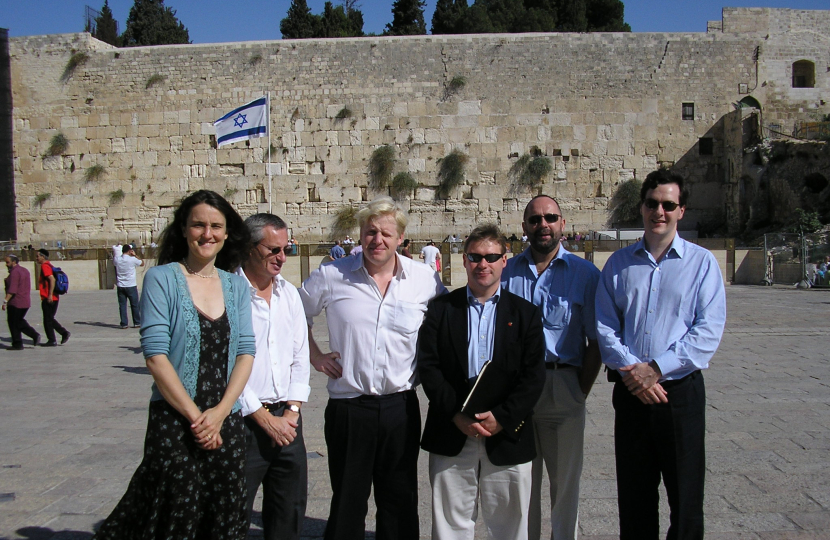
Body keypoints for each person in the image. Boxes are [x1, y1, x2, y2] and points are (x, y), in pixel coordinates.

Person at [93, 190, 256, 540]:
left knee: (223, 512)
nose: (207, 234)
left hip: (226, 421)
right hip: (176, 421)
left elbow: (246, 352)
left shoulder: (235, 286)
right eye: (198, 224)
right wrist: (198, 419)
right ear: (184, 229)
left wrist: (220, 413)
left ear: (227, 234)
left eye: (216, 226)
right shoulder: (162, 278)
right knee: (173, 513)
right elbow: (155, 355)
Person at [299, 197, 446, 540]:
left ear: (400, 239)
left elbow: (444, 327)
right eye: (369, 232)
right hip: (350, 408)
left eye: (385, 233)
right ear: (360, 236)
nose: (377, 239)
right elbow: (294, 314)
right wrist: (316, 356)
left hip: (400, 406)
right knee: (348, 499)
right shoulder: (332, 276)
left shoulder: (424, 280)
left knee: (399, 498)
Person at [595, 169, 726, 540]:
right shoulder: (619, 265)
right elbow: (605, 326)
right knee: (634, 498)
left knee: (685, 500)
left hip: (679, 395)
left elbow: (706, 331)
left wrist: (655, 369)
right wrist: (634, 373)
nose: (660, 212)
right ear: (641, 207)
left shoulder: (701, 265)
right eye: (652, 203)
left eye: (669, 205)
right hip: (631, 392)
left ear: (681, 210)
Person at [418, 224, 545, 540]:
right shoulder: (442, 309)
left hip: (506, 434)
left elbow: (533, 376)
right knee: (450, 524)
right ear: (464, 260)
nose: (482, 264)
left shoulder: (526, 313)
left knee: (509, 525)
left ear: (505, 260)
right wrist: (456, 414)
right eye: (475, 256)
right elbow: (430, 368)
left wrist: (502, 417)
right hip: (452, 431)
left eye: (491, 257)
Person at [502, 195, 602, 540]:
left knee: (565, 486)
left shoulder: (585, 275)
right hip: (517, 396)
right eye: (534, 219)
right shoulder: (507, 272)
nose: (542, 225)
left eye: (550, 217)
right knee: (521, 488)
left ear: (562, 224)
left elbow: (596, 341)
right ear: (524, 227)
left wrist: (578, 392)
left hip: (563, 387)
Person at [237, 213, 310, 540]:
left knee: (288, 512)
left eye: (287, 249)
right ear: (250, 248)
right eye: (273, 250)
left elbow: (300, 356)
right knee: (235, 511)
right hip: (244, 422)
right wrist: (264, 419)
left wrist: (291, 412)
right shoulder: (229, 294)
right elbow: (226, 365)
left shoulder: (289, 294)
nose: (282, 257)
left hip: (288, 421)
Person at [3, 255, 40, 350]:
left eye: (8, 262)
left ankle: (17, 343)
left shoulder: (15, 272)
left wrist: (5, 301)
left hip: (16, 302)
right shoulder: (24, 270)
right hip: (25, 301)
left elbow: (12, 289)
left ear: (14, 262)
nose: (6, 264)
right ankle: (34, 335)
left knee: (13, 323)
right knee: (19, 321)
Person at [35, 249, 69, 347]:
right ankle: (64, 333)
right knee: (50, 318)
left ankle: (52, 340)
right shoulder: (50, 266)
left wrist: (49, 295)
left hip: (49, 297)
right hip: (54, 297)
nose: (36, 258)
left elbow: (51, 279)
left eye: (38, 256)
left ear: (43, 257)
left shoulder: (45, 266)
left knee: (47, 320)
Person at [114, 243, 144, 329]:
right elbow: (142, 263)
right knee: (134, 305)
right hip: (131, 285)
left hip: (120, 285)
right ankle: (136, 322)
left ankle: (124, 323)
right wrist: (135, 255)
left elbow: (115, 263)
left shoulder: (117, 259)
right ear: (130, 251)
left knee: (122, 305)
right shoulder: (132, 259)